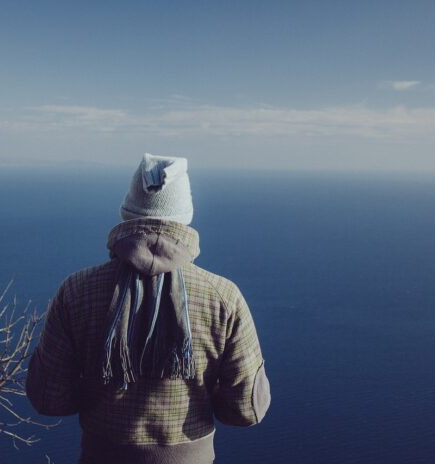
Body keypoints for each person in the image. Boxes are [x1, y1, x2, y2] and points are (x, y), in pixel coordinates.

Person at [26, 153, 270, 464]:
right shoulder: (223, 297)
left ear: (127, 213)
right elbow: (245, 410)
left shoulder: (76, 291)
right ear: (185, 216)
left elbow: (49, 399)